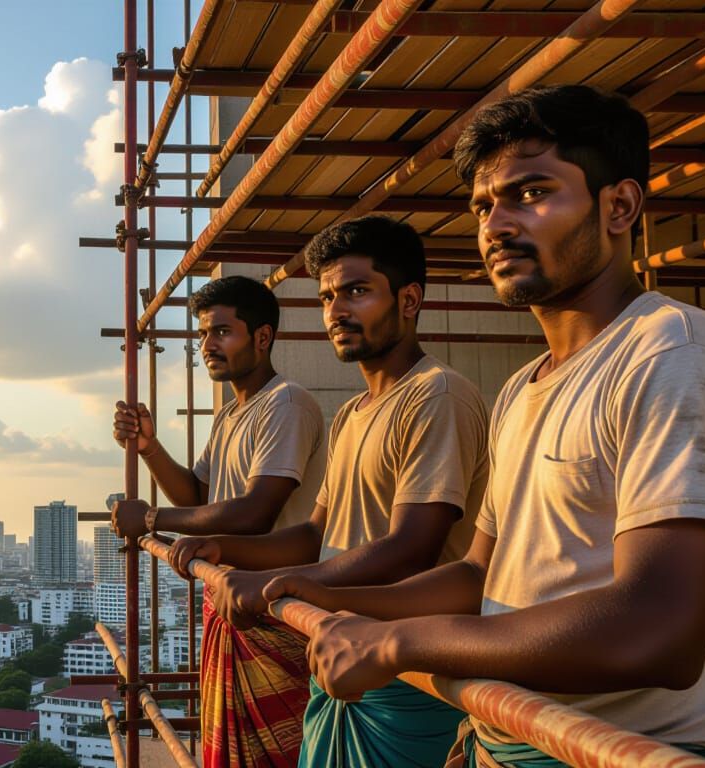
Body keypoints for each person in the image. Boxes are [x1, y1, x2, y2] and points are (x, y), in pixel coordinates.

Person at [265, 84, 705, 767]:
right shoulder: (523, 391)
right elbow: (479, 577)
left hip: (617, 754)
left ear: (619, 206)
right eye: (483, 206)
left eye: (532, 193)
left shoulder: (674, 354)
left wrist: (400, 642)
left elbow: (661, 630)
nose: (496, 225)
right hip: (504, 739)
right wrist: (337, 597)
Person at [168, 215, 490, 767]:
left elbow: (412, 546)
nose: (337, 312)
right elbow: (315, 534)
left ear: (409, 299)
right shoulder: (352, 415)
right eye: (327, 297)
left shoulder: (436, 397)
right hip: (338, 653)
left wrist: (282, 584)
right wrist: (226, 552)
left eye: (357, 292)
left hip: (405, 672)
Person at [110, 274, 325, 767]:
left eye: (222, 332)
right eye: (203, 334)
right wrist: (149, 447)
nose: (208, 345)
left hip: (272, 605)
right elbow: (200, 495)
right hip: (232, 599)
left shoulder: (285, 404)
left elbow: (253, 512)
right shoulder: (233, 413)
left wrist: (149, 517)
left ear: (263, 337)